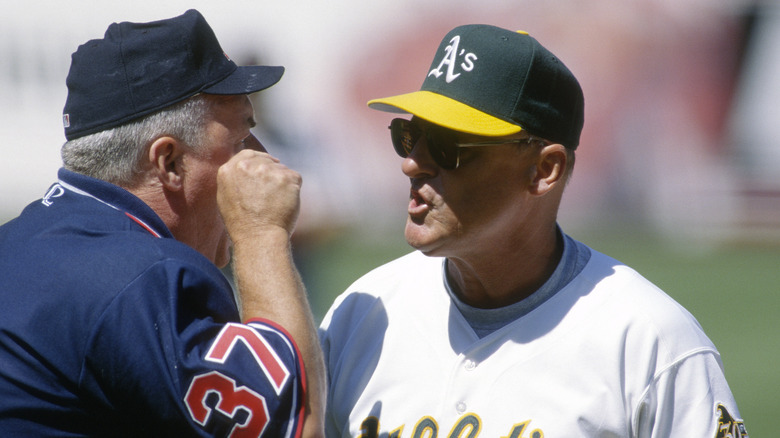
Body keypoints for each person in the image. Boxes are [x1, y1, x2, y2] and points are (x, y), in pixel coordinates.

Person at [319, 24, 747, 437]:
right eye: (410, 136)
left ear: (545, 170)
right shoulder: (362, 314)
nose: (412, 163)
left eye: (449, 146)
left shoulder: (648, 339)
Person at [0, 9, 325, 437]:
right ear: (168, 161)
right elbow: (295, 425)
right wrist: (261, 232)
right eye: (241, 139)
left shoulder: (15, 242)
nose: (261, 159)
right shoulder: (147, 276)